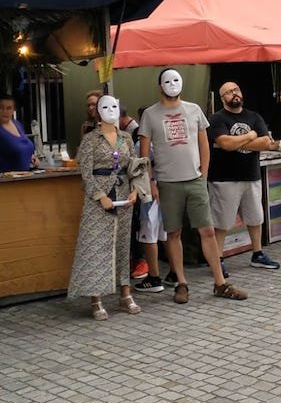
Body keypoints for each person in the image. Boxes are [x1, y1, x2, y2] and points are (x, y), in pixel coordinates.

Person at [138, 68, 247, 304]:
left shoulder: (194, 110)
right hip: (167, 182)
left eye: (176, 79)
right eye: (167, 81)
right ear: (160, 86)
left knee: (207, 230)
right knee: (173, 233)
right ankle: (181, 282)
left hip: (194, 179)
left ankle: (220, 282)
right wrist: (152, 182)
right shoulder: (150, 114)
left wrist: (203, 173)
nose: (172, 84)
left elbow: (204, 144)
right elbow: (145, 155)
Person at [68, 95, 144, 319]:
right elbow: (85, 173)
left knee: (122, 244)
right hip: (99, 199)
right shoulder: (90, 139)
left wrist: (136, 190)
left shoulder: (127, 138)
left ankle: (125, 293)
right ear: (97, 112)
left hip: (123, 195)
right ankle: (96, 298)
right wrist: (100, 195)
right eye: (105, 107)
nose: (110, 110)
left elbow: (135, 167)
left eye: (114, 106)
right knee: (95, 245)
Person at [208, 81, 280, 272]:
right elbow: (225, 143)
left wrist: (237, 142)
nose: (234, 94)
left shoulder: (254, 116)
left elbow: (266, 142)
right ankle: (218, 259)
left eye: (236, 90)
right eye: (229, 93)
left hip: (251, 176)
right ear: (222, 98)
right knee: (222, 222)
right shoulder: (217, 119)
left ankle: (258, 254)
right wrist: (250, 136)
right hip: (224, 179)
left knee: (255, 218)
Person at [0, 94, 36, 175]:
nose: (5, 111)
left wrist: (31, 157)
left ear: (13, 110)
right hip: (6, 182)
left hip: (24, 178)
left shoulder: (17, 124)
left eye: (9, 108)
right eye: (1, 108)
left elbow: (19, 146)